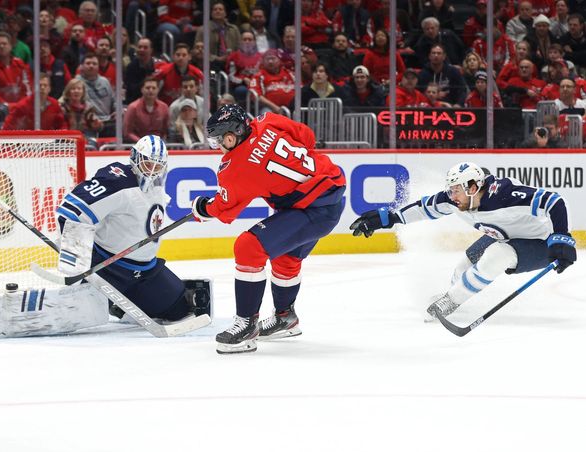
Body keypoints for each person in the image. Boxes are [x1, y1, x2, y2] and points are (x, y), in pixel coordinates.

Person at [0, 135, 211, 339]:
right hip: (110, 268)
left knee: (178, 309)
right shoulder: (116, 180)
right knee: (75, 312)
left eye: (157, 166)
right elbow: (71, 211)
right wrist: (77, 259)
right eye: (147, 164)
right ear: (135, 158)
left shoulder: (159, 184)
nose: (152, 171)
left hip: (146, 272)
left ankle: (119, 305)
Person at [191, 104, 346, 354]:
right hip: (331, 193)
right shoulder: (268, 120)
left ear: (231, 137)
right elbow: (307, 136)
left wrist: (202, 209)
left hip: (312, 210)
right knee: (286, 256)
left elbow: (225, 209)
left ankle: (246, 326)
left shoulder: (235, 167)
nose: (218, 146)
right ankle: (285, 318)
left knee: (248, 247)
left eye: (219, 140)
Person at [349, 162, 576, 321]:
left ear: (473, 187)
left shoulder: (504, 195)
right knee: (464, 266)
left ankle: (450, 302)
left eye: (456, 190)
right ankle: (455, 298)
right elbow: (423, 208)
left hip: (540, 242)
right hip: (505, 235)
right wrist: (387, 218)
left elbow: (554, 201)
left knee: (497, 256)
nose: (452, 195)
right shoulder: (455, 200)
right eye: (451, 189)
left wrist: (562, 238)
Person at [2, 73, 67, 130]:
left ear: (49, 88)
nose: (42, 88)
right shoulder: (22, 106)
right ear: (33, 88)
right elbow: (7, 127)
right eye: (39, 85)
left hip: (47, 141)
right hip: (26, 140)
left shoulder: (55, 104)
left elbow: (61, 125)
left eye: (45, 85)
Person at [250, 48, 295, 114]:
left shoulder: (290, 74)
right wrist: (275, 108)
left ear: (279, 61)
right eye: (267, 59)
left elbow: (301, 90)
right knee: (267, 114)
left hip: (292, 107)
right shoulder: (259, 76)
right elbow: (256, 95)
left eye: (273, 58)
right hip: (270, 108)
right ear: (263, 62)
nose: (270, 61)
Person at [123, 77, 169, 143]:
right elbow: (128, 132)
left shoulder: (164, 107)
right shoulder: (133, 107)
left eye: (154, 88)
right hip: (138, 145)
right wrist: (143, 143)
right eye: (147, 88)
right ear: (142, 89)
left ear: (158, 90)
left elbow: (165, 130)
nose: (151, 90)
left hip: (158, 145)